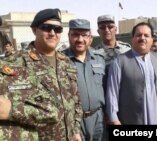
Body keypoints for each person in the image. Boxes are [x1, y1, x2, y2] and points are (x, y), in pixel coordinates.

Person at [0, 8, 82, 141]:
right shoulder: (14, 64)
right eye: (46, 28)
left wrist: (76, 130)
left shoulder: (66, 62)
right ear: (34, 30)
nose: (52, 33)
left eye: (57, 29)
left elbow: (76, 101)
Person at [106, 22, 157, 125]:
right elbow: (112, 92)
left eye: (146, 35)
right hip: (131, 118)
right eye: (138, 35)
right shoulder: (120, 61)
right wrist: (114, 118)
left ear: (152, 39)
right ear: (132, 38)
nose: (142, 38)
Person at [64, 19, 105, 141]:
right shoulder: (61, 60)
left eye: (84, 35)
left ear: (90, 38)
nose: (80, 39)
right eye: (75, 35)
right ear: (69, 36)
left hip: (99, 118)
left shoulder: (99, 58)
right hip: (75, 121)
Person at [93, 15, 131, 93]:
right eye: (102, 28)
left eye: (110, 27)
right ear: (98, 31)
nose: (107, 30)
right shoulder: (94, 54)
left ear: (116, 29)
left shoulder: (127, 49)